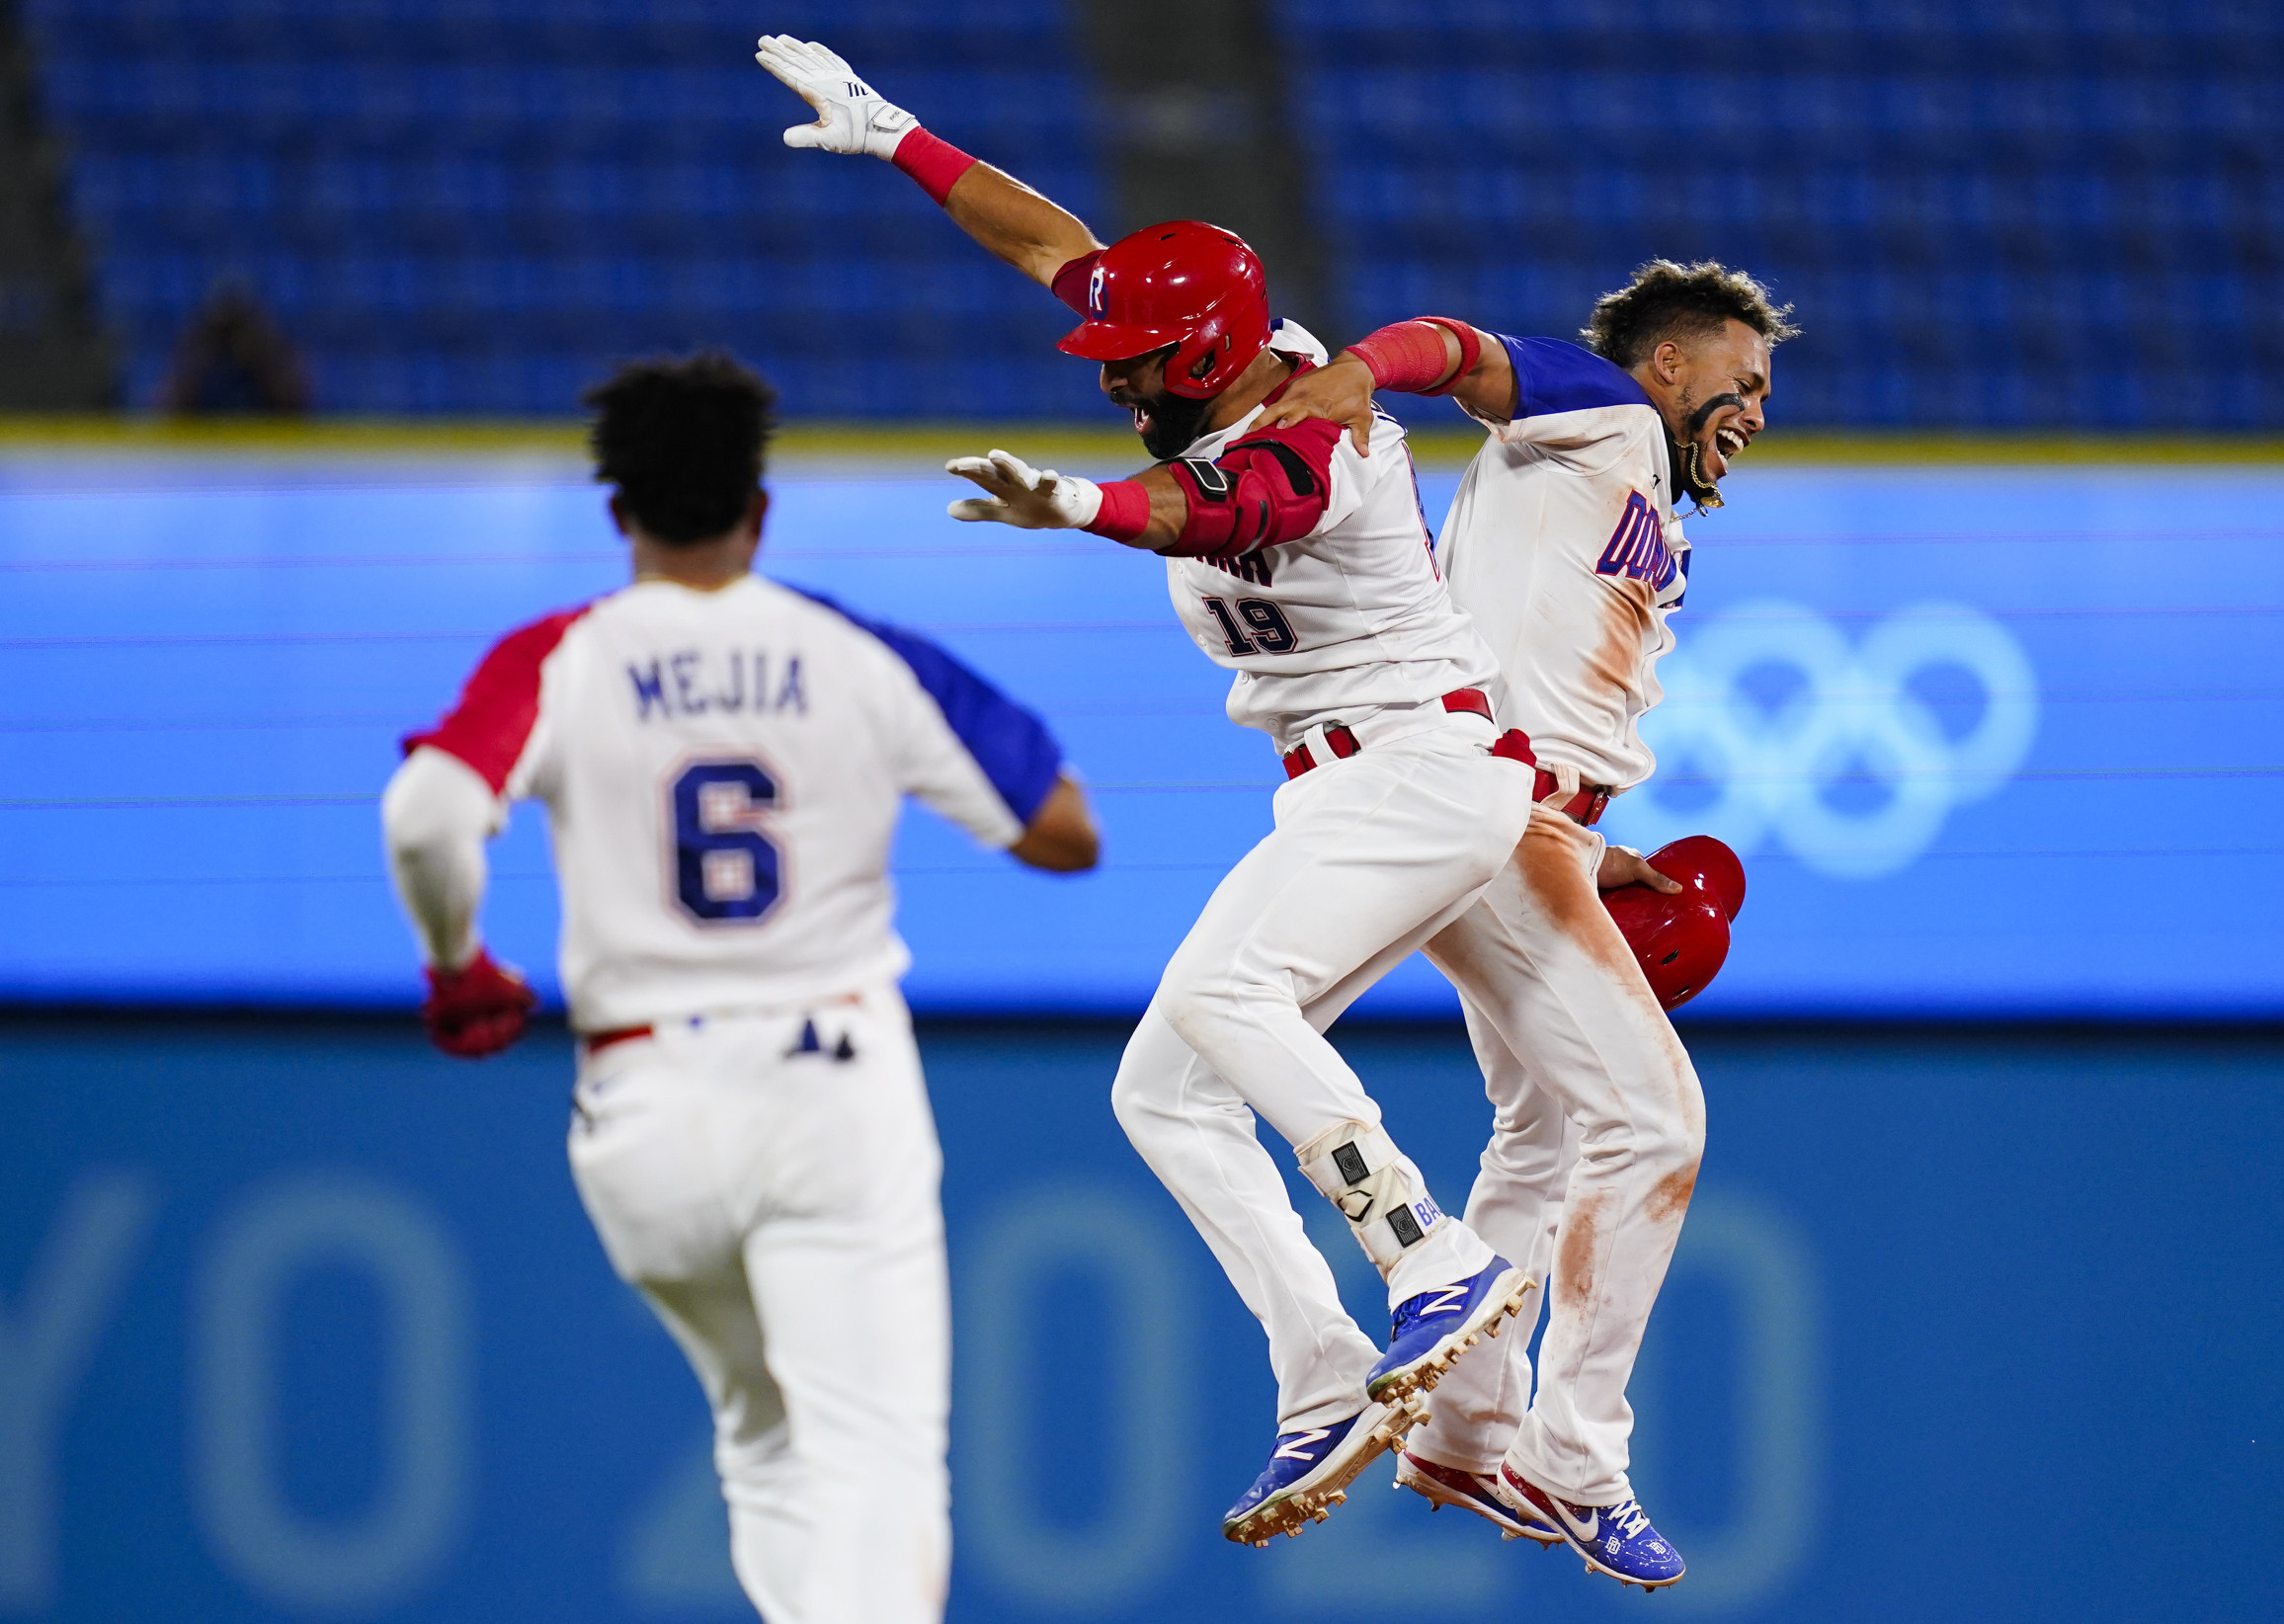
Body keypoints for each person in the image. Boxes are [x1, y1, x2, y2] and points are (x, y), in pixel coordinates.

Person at [755, 37, 1539, 1546]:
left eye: (1130, 368)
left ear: (1200, 357)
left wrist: (1078, 506)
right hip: (1341, 787)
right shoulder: (1203, 342)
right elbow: (1054, 244)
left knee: (1232, 1004)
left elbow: (1222, 510)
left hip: (1428, 764)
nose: (1109, 379)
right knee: (1162, 1088)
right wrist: (903, 136)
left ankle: (1425, 1251)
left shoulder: (1327, 427)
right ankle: (1320, 1369)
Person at [378, 352, 1099, 1624]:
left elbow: (430, 813)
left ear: (620, 514)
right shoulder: (853, 650)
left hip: (641, 1102)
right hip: (827, 1082)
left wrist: (455, 964)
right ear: (760, 508)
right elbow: (1061, 832)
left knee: (764, 1435)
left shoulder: (560, 657)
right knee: (873, 1457)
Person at [1243, 268, 1797, 1588]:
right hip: (1491, 808)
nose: (1756, 412)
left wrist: (1602, 853)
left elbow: (1536, 670)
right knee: (1654, 1124)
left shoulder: (1632, 491)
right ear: (1667, 365)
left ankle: (1465, 1423)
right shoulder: (1601, 411)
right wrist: (1360, 372)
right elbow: (1458, 350)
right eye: (1744, 380)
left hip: (1527, 813)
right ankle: (1575, 1452)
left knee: (1545, 1132)